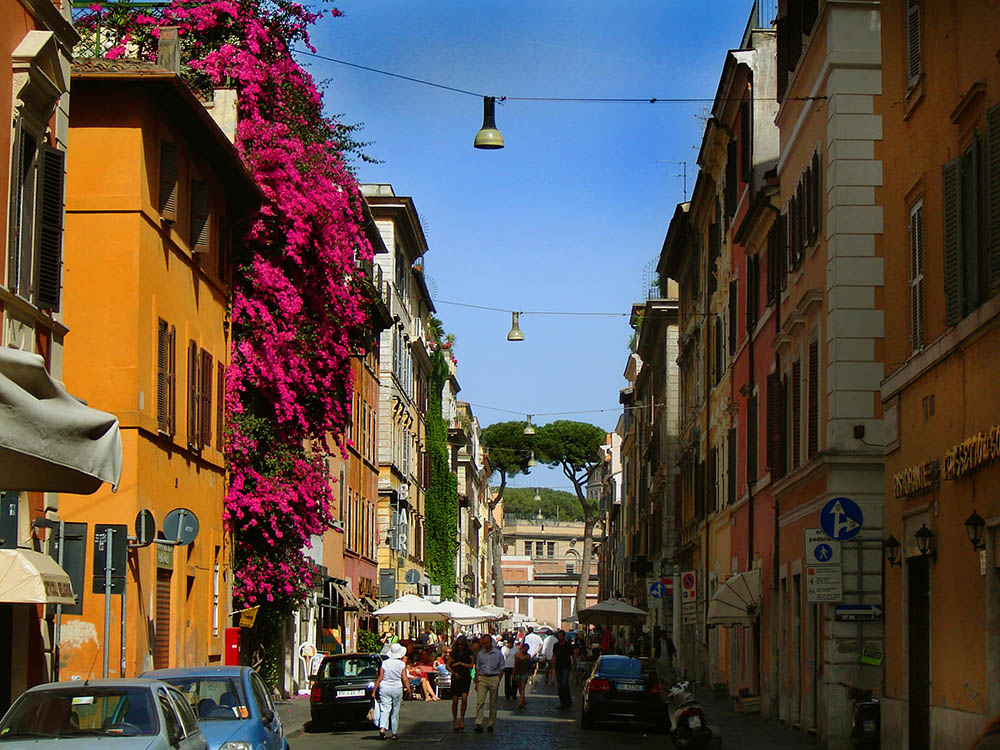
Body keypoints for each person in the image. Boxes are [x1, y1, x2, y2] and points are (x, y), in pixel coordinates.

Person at [373, 643, 411, 740]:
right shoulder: (402, 664)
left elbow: (380, 677)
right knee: (395, 711)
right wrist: (409, 690)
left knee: (385, 709)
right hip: (397, 687)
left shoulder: (385, 663)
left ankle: (382, 728)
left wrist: (374, 690)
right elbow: (405, 678)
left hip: (384, 687)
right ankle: (394, 733)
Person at [473, 633, 505, 732]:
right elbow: (477, 667)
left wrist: (498, 679)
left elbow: (502, 667)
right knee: (480, 702)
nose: (485, 645)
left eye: (487, 643)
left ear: (490, 642)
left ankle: (491, 723)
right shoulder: (480, 654)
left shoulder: (498, 653)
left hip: (494, 677)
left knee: (493, 703)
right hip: (482, 678)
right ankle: (479, 723)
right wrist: (477, 681)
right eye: (484, 643)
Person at [447, 635, 475, 731]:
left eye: (462, 645)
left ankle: (462, 719)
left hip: (465, 677)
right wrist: (454, 673)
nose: (460, 646)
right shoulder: (453, 653)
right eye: (459, 645)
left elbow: (472, 665)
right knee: (454, 700)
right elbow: (448, 665)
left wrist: (461, 664)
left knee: (464, 698)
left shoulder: (469, 653)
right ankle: (455, 720)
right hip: (455, 677)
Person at [551, 629, 576, 709]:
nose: (560, 637)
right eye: (559, 636)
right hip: (558, 666)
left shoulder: (568, 645)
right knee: (560, 686)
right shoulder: (556, 645)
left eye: (561, 636)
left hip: (566, 666)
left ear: (564, 636)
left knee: (564, 684)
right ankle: (563, 702)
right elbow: (554, 656)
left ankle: (567, 701)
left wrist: (574, 666)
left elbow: (573, 656)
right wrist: (552, 666)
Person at [512, 642, 532, 708]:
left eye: (526, 650)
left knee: (522, 688)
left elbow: (529, 666)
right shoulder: (517, 655)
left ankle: (520, 703)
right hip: (518, 673)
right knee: (520, 688)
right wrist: (513, 674)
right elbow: (515, 665)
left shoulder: (528, 656)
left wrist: (530, 674)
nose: (525, 651)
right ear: (522, 648)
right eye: (524, 649)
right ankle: (523, 699)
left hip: (525, 673)